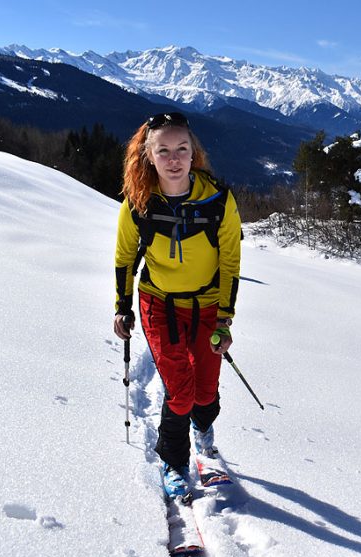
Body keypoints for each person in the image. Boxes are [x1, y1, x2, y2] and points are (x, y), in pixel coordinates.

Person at [113, 112, 241, 500]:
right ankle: (174, 461)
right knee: (180, 392)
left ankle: (203, 426)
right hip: (159, 304)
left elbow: (230, 261)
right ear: (148, 155)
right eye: (163, 150)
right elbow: (125, 256)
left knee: (204, 393)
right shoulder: (139, 202)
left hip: (206, 306)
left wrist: (224, 318)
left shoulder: (217, 199)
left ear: (193, 152)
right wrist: (122, 305)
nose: (173, 158)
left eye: (181, 149)